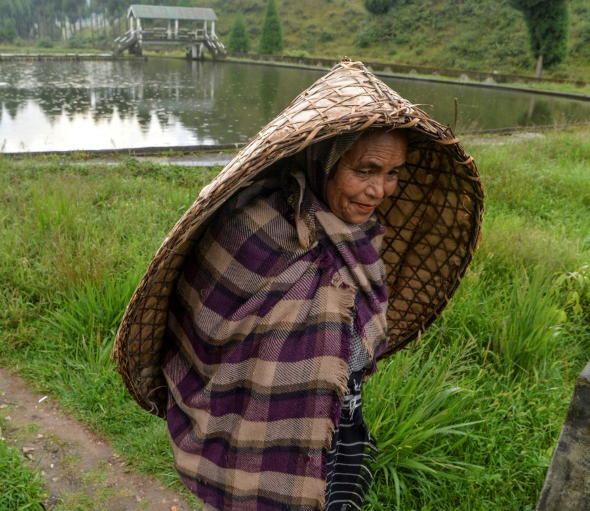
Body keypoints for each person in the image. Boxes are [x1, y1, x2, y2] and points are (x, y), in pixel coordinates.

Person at [113, 59, 484, 511]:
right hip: (253, 439)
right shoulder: (254, 230)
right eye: (365, 170)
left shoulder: (361, 237)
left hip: (335, 432)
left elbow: (360, 334)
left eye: (392, 174)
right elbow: (205, 327)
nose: (381, 190)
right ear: (323, 159)